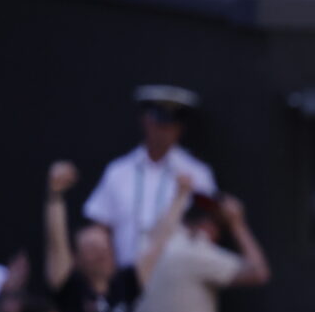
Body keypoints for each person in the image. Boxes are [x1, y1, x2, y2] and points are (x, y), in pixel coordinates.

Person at [129, 181, 271, 312]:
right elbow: (259, 272)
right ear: (209, 227)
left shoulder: (148, 246)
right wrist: (237, 224)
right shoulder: (194, 249)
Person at [83, 84, 218, 268]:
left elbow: (208, 229)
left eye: (171, 125)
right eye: (159, 123)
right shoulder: (118, 171)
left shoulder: (198, 174)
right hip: (124, 280)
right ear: (145, 121)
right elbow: (99, 226)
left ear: (180, 128)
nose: (164, 132)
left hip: (173, 282)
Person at [45, 159, 143, 312]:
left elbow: (158, 243)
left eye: (104, 246)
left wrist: (179, 197)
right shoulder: (71, 289)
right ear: (76, 259)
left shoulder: (124, 287)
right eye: (91, 248)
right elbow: (56, 243)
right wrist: (55, 197)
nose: (101, 253)